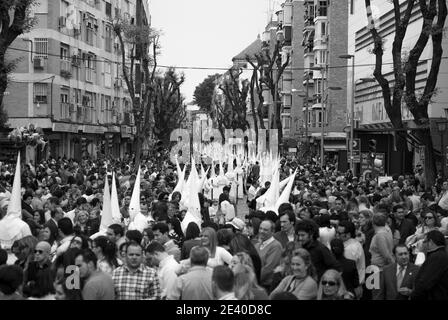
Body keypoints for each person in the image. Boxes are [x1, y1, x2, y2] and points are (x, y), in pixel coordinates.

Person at [411, 230, 448, 300]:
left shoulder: (437, 257)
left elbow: (424, 283)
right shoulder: (441, 255)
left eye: (424, 241)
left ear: (430, 242)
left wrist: (414, 295)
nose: (422, 244)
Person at [255, 220, 283, 290]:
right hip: (257, 283)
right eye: (260, 228)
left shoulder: (276, 246)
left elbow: (268, 268)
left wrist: (253, 280)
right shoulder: (257, 245)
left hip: (267, 286)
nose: (261, 231)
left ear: (272, 231)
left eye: (265, 230)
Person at [336, 220, 366, 286]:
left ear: (348, 234)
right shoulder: (354, 243)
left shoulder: (349, 249)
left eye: (339, 233)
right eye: (336, 232)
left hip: (352, 285)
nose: (337, 235)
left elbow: (348, 271)